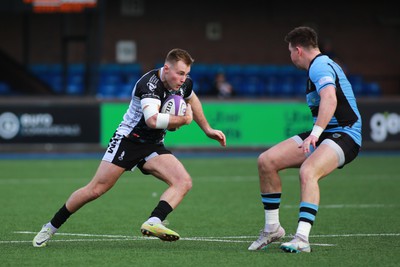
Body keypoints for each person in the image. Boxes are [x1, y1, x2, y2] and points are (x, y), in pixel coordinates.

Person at [33, 48, 227, 247]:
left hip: (152, 145)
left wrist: (207, 129)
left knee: (183, 181)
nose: (183, 79)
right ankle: (51, 226)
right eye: (180, 73)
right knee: (95, 190)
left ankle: (154, 222)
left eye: (186, 74)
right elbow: (152, 120)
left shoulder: (182, 83)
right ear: (166, 68)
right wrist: (184, 120)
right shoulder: (149, 85)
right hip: (128, 141)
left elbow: (192, 99)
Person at [248, 26, 362, 253]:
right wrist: (317, 134)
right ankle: (272, 228)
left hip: (346, 134)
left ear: (298, 50)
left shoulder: (319, 66)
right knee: (266, 161)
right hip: (327, 132)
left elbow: (330, 99)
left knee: (308, 171)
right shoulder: (319, 66)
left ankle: (302, 238)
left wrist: (315, 134)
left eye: (290, 51)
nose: (290, 57)